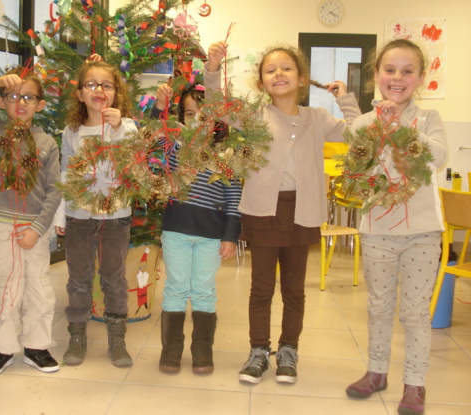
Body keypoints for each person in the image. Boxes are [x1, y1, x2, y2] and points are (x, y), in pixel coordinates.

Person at [206, 41, 361, 385]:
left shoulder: (318, 117)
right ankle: (258, 351)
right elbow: (217, 107)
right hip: (263, 211)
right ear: (261, 83)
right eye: (270, 70)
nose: (279, 74)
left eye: (287, 68)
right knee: (261, 288)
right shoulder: (253, 115)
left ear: (302, 78)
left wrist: (346, 99)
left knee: (294, 290)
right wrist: (213, 69)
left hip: (302, 211)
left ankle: (289, 350)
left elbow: (359, 134)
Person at [344, 39, 447, 415]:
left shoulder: (428, 120)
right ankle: (376, 372)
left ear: (420, 78)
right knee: (379, 307)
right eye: (389, 70)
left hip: (422, 233)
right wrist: (377, 129)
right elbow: (357, 171)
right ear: (376, 76)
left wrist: (400, 126)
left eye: (407, 71)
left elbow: (437, 157)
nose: (397, 77)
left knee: (417, 313)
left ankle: (415, 383)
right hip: (377, 231)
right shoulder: (362, 123)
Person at [0, 67, 62, 375]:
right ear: (2, 102)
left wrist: (37, 228)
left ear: (40, 104)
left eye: (29, 97)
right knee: (5, 285)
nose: (20, 103)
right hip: (2, 224)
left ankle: (36, 346)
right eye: (13, 96)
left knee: (39, 287)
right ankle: (2, 347)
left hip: (36, 228)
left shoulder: (47, 143)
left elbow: (55, 190)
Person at [149, 82, 240, 375]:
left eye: (204, 115)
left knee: (203, 290)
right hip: (176, 229)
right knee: (175, 287)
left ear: (216, 120)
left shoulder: (226, 155)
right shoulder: (175, 148)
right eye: (190, 114)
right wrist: (159, 107)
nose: (197, 122)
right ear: (181, 118)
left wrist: (230, 235)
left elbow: (233, 197)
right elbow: (154, 138)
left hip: (211, 235)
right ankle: (171, 349)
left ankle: (202, 349)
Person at [54, 60, 138, 368]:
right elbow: (65, 171)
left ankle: (117, 335)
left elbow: (129, 158)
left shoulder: (126, 126)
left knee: (114, 278)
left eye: (107, 84)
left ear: (117, 93)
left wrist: (116, 127)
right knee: (79, 278)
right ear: (79, 94)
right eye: (91, 84)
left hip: (116, 215)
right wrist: (61, 214)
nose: (99, 89)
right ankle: (77, 335)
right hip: (79, 216)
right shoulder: (72, 131)